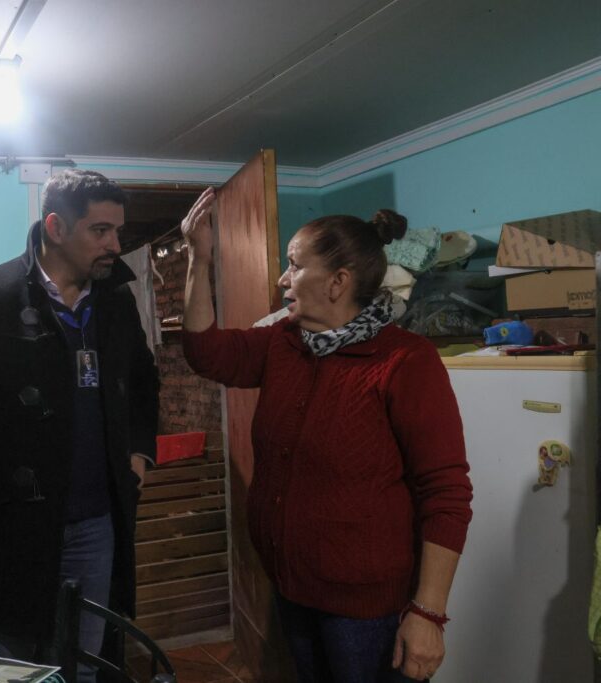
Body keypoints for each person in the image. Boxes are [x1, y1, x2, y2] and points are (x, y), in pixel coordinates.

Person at [179, 187, 472, 683]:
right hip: (292, 587)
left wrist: (428, 614)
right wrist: (199, 257)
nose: (282, 278)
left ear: (338, 282)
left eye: (294, 265)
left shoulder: (404, 361)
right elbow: (204, 352)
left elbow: (447, 494)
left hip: (365, 610)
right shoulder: (283, 342)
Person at [0, 169, 159, 678]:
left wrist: (138, 452)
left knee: (86, 663)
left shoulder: (115, 300)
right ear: (55, 226)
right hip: (9, 524)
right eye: (101, 231)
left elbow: (142, 382)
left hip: (98, 522)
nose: (116, 245)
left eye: (118, 231)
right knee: (12, 666)